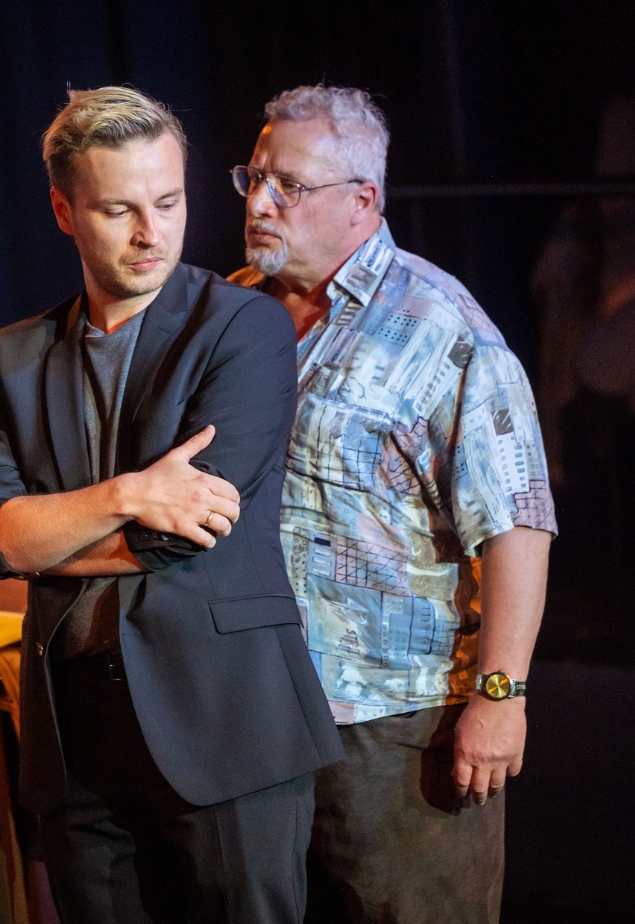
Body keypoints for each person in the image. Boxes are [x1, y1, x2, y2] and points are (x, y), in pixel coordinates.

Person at [0, 86, 343, 924]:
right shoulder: (13, 356)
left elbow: (189, 532)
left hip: (224, 722)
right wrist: (129, 494)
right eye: (118, 209)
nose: (150, 233)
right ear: (64, 211)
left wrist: (46, 535)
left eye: (168, 202)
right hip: (76, 741)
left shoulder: (244, 327)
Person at [228, 85, 556, 924]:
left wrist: (501, 696)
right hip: (249, 710)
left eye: (289, 186)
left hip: (393, 724)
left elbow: (517, 525)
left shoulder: (442, 327)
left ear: (362, 200)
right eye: (254, 177)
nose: (260, 203)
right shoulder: (232, 310)